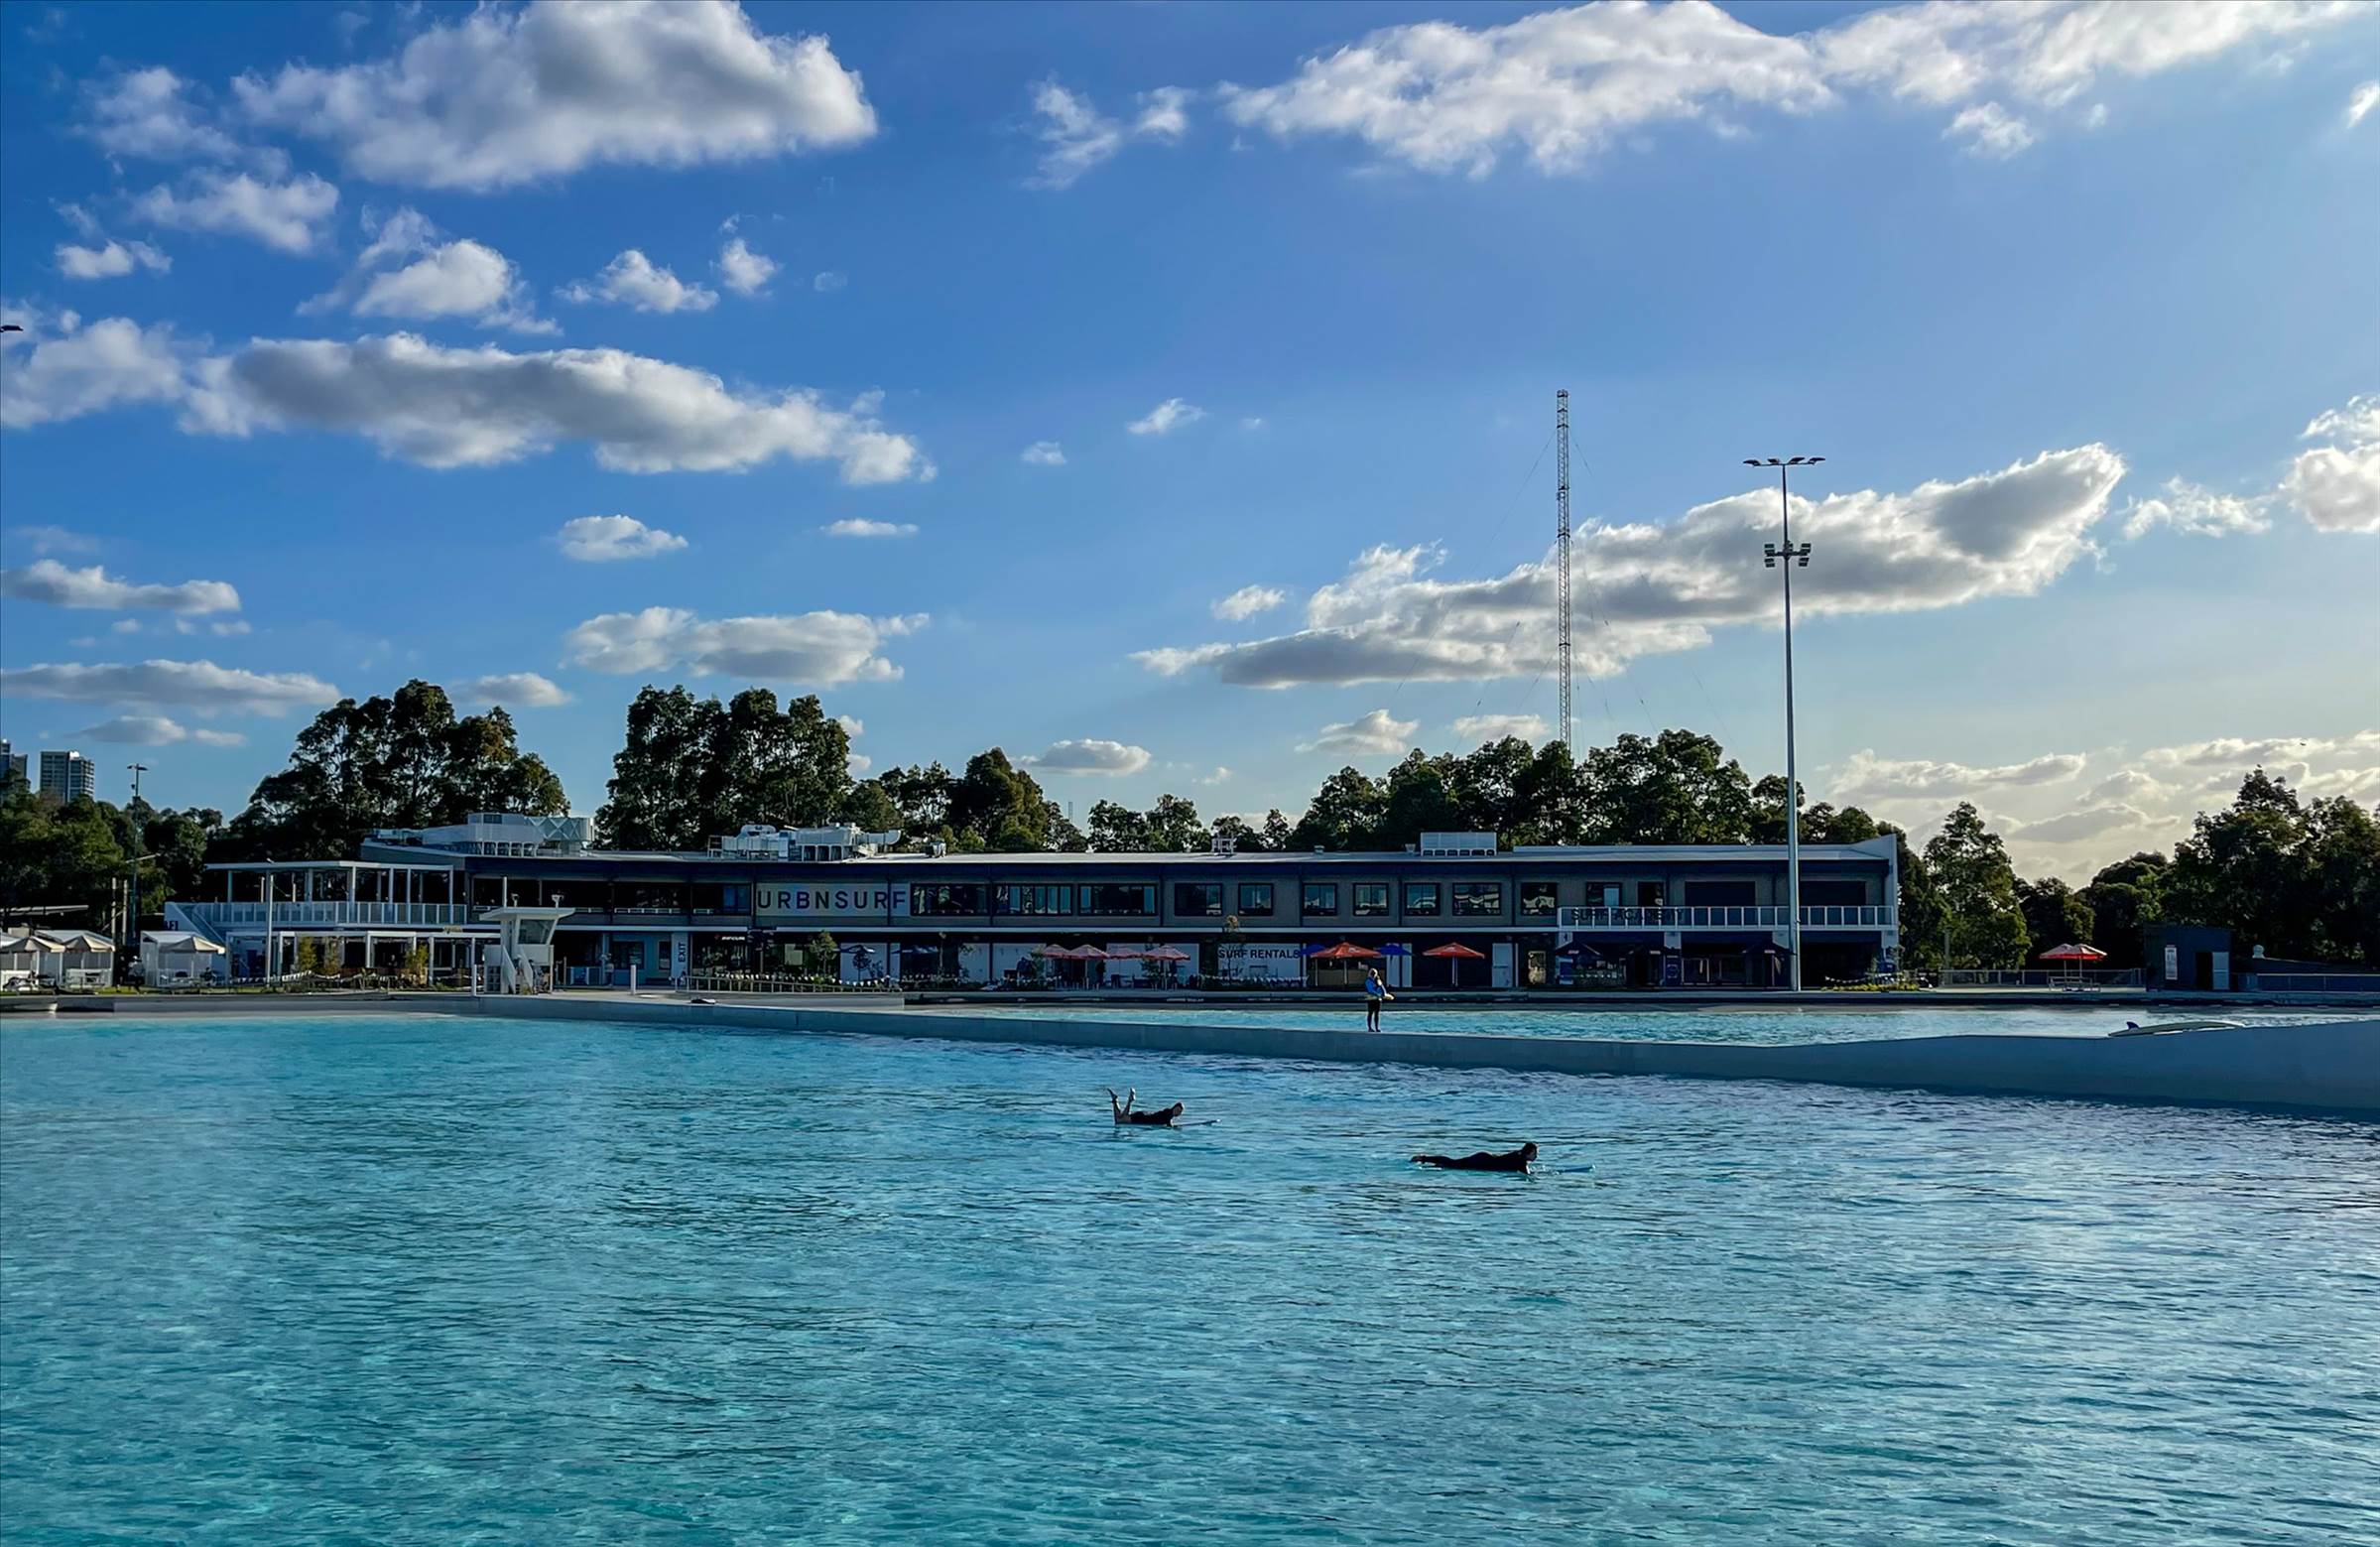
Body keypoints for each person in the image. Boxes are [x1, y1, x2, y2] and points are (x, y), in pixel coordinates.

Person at [1412, 1142, 1538, 1173]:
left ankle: (1423, 1159)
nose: (1536, 1156)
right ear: (1530, 1152)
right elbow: (1527, 1176)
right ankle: (1423, 1159)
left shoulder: (1518, 1155)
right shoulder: (1521, 1161)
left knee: (1454, 1164)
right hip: (1484, 1162)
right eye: (1535, 1153)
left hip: (1484, 1158)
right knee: (1453, 1165)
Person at [1106, 1087, 1185, 1126]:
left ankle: (1115, 1099)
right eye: (1177, 1110)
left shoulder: (1168, 1113)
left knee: (1120, 1118)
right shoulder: (1168, 1114)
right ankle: (1128, 1100)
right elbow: (1168, 1123)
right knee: (1119, 1121)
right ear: (1174, 1108)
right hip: (1141, 1118)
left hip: (1143, 1116)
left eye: (1180, 1112)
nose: (1178, 1113)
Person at [1363, 966, 1393, 1031]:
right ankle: (1370, 1028)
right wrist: (1377, 994)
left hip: (1378, 999)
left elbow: (1382, 987)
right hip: (1371, 999)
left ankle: (1376, 1028)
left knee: (1377, 1013)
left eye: (1374, 974)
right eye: (1372, 974)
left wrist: (1384, 994)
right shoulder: (1368, 981)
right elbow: (1370, 990)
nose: (1373, 975)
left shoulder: (1378, 980)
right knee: (1370, 1013)